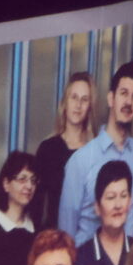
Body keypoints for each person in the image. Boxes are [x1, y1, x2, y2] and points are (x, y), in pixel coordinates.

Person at [60, 63, 133, 243]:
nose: (128, 102)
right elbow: (66, 231)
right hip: (88, 258)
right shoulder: (81, 160)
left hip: (129, 257)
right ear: (111, 98)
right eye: (123, 93)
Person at [35, 72, 98, 230]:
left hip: (88, 236)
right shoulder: (47, 149)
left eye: (84, 99)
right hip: (55, 236)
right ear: (64, 102)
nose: (78, 105)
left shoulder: (96, 151)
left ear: (90, 107)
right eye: (74, 97)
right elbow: (36, 205)